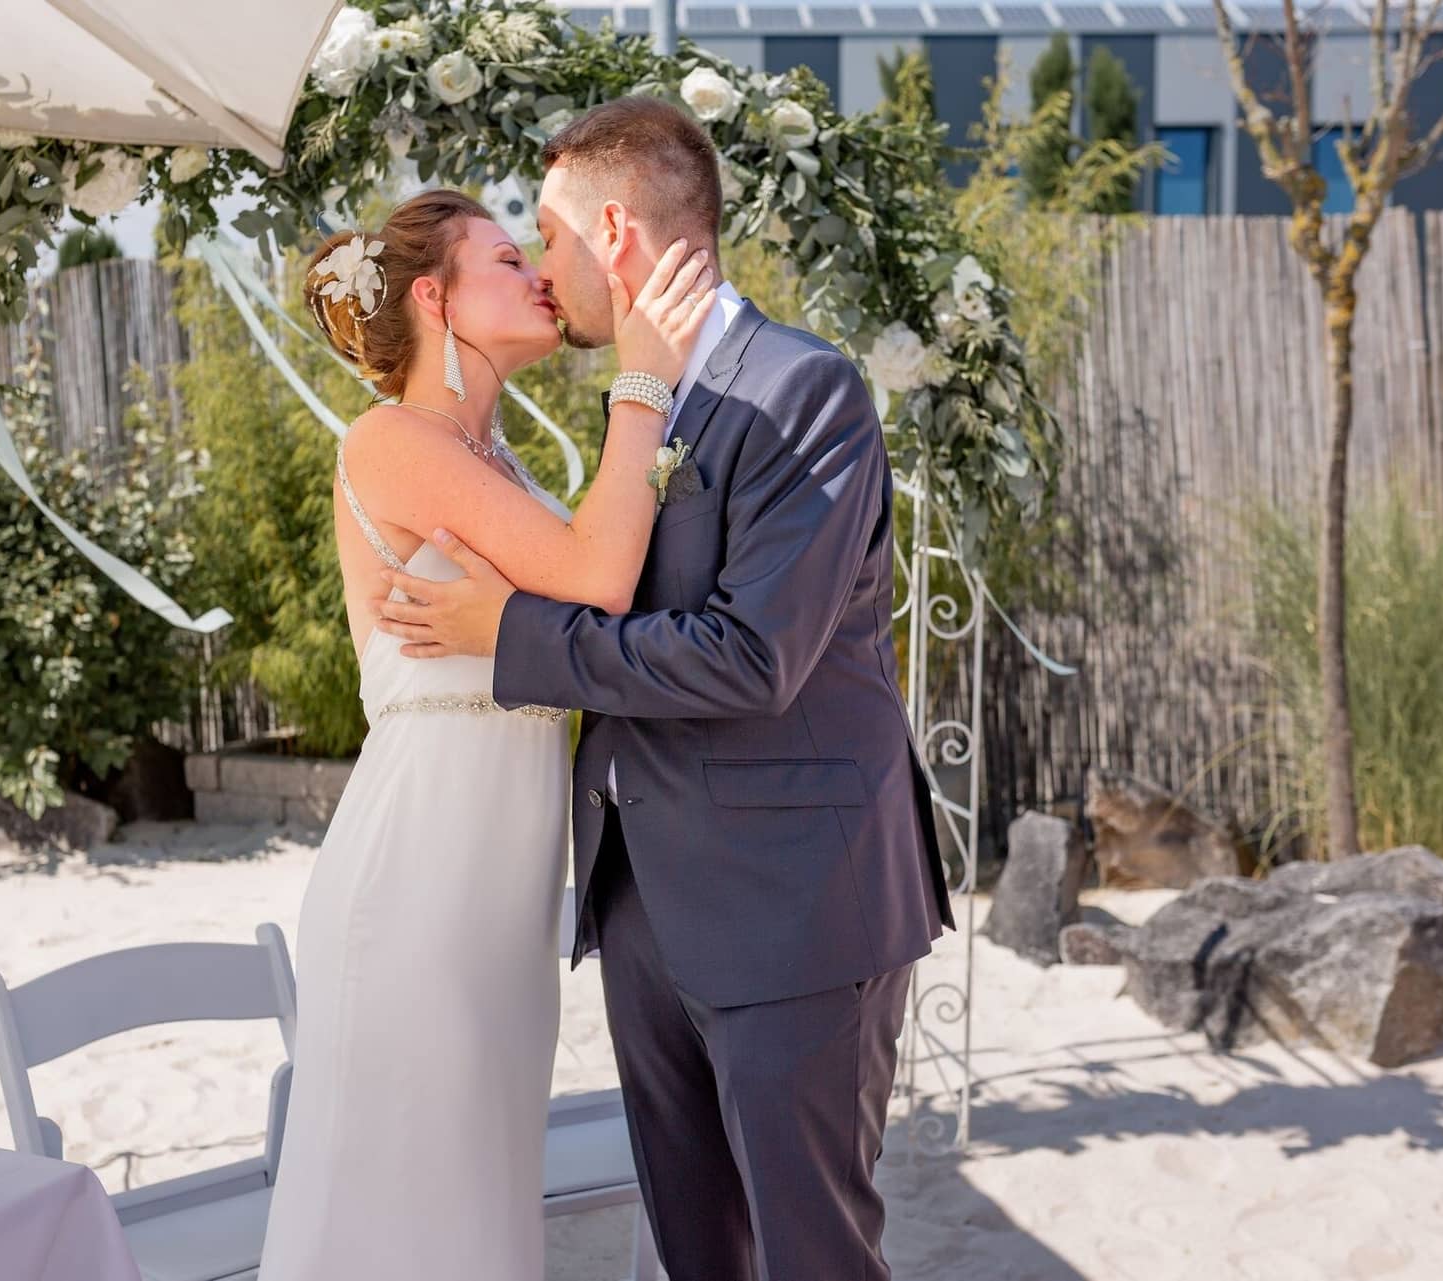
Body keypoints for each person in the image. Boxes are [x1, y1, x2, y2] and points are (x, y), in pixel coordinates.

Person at [370, 97, 956, 1281]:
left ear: (618, 232)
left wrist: (514, 632)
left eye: (547, 231)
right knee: (700, 1258)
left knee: (815, 1259)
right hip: (646, 913)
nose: (539, 264)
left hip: (795, 916)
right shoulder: (635, 409)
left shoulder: (805, 392)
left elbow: (750, 658)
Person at [255, 186, 715, 1279]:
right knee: (400, 1202)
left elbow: (608, 583)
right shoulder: (390, 443)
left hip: (501, 896)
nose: (539, 278)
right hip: (415, 884)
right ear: (435, 296)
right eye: (508, 260)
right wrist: (643, 375)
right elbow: (600, 578)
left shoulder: (498, 466)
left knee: (478, 1196)